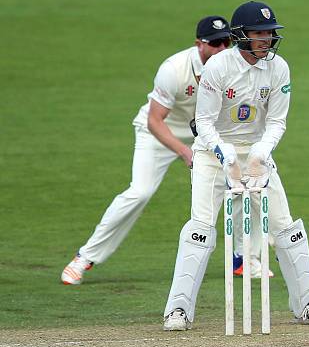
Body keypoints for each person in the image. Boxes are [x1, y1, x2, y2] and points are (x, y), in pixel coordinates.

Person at [162, 1, 309, 331]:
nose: (266, 39)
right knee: (200, 227)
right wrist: (226, 157)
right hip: (213, 155)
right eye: (259, 33)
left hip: (256, 155)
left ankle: (308, 303)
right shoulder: (219, 68)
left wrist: (257, 156)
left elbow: (277, 121)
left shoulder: (279, 68)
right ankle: (178, 310)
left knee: (286, 227)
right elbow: (205, 122)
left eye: (270, 33)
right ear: (241, 36)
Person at [61, 16, 232, 285]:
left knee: (243, 181)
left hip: (206, 134)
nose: (223, 49)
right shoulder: (174, 69)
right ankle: (85, 257)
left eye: (228, 42)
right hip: (159, 132)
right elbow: (155, 120)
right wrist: (184, 152)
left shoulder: (233, 65)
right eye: (216, 43)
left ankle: (245, 259)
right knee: (140, 192)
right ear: (199, 44)